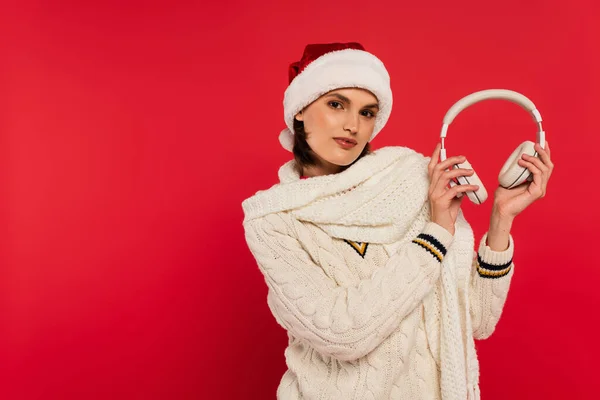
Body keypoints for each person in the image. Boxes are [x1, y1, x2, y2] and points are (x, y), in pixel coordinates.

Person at [241, 42, 553, 400]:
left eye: (367, 112)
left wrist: (502, 217)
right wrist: (435, 235)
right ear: (300, 110)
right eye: (336, 104)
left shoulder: (414, 181)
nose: (352, 125)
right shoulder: (273, 219)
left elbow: (477, 321)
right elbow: (342, 334)